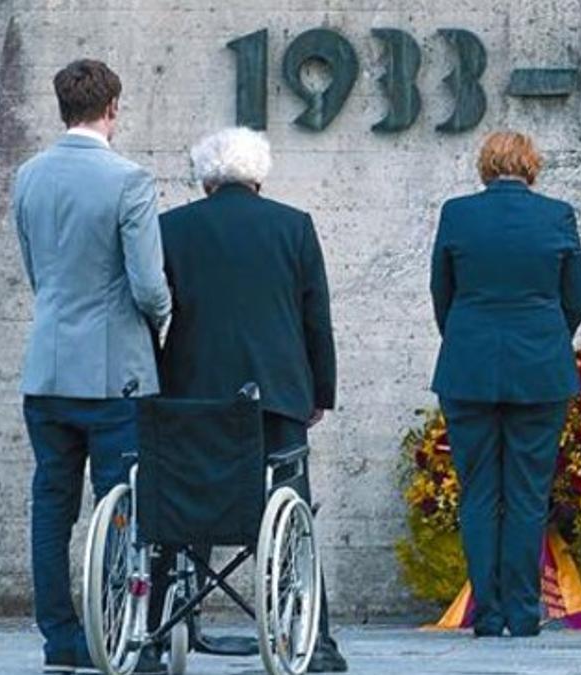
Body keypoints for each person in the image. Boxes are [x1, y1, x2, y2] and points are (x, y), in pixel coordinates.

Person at [153, 127, 347, 672]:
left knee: (180, 513)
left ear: (206, 177)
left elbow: (151, 310)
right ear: (258, 175)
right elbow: (317, 318)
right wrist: (319, 392)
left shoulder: (172, 228)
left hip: (193, 395)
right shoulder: (294, 226)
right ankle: (318, 643)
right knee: (293, 516)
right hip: (278, 394)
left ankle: (154, 632)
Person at [12, 59, 172, 673]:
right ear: (112, 108)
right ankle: (115, 631)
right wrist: (161, 319)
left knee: (52, 507)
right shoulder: (128, 179)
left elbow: (37, 274)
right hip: (114, 375)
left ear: (63, 108)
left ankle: (60, 639)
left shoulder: (28, 176)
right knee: (122, 507)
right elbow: (148, 285)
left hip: (47, 370)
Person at [430, 131, 581, 637]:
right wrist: (545, 338)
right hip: (539, 368)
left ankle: (488, 614)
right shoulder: (557, 215)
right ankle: (523, 613)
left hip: (469, 366)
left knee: (478, 492)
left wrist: (465, 338)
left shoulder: (457, 214)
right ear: (532, 166)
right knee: (526, 493)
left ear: (485, 166)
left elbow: (442, 292)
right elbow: (575, 299)